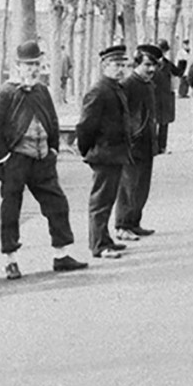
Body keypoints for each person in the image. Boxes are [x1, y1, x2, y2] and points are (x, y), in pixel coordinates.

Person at [0, 40, 88, 279]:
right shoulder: (5, 93)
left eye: (37, 64)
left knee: (57, 204)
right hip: (16, 160)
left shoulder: (42, 91)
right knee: (11, 210)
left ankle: (62, 255)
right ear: (17, 66)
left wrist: (53, 150)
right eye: (28, 65)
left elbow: (52, 121)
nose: (33, 69)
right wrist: (5, 157)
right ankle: (10, 260)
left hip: (42, 160)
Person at [76, 45, 133, 259]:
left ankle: (105, 238)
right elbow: (85, 126)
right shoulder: (99, 91)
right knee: (100, 202)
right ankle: (98, 245)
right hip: (103, 154)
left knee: (108, 199)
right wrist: (88, 150)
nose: (121, 70)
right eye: (116, 65)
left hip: (115, 153)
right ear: (104, 67)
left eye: (123, 65)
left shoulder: (115, 87)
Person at [116, 44, 161, 242]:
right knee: (128, 186)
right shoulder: (128, 84)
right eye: (147, 65)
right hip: (132, 144)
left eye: (154, 66)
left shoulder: (147, 84)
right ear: (137, 64)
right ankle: (122, 225)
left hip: (146, 142)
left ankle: (134, 222)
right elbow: (119, 115)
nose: (151, 70)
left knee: (142, 186)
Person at [153, 39, 179, 154]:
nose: (161, 53)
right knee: (153, 123)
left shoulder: (168, 64)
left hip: (165, 97)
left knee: (164, 123)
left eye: (163, 50)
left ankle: (162, 147)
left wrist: (183, 63)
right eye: (159, 50)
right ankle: (153, 147)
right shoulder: (150, 64)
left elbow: (178, 72)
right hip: (153, 97)